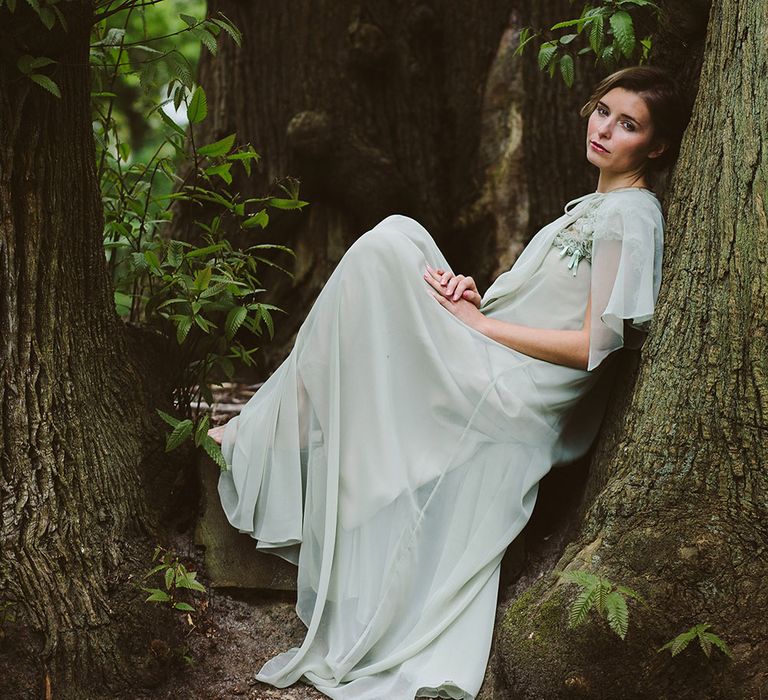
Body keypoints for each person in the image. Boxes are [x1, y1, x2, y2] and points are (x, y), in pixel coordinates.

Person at [207, 65, 685, 699]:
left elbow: (596, 345)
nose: (604, 129)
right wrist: (476, 304)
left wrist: (477, 331)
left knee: (390, 246)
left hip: (522, 398)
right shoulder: (600, 206)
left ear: (654, 147)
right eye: (603, 111)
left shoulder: (631, 216)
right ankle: (276, 429)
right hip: (501, 361)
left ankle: (269, 433)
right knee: (394, 245)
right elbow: (549, 308)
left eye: (628, 125)